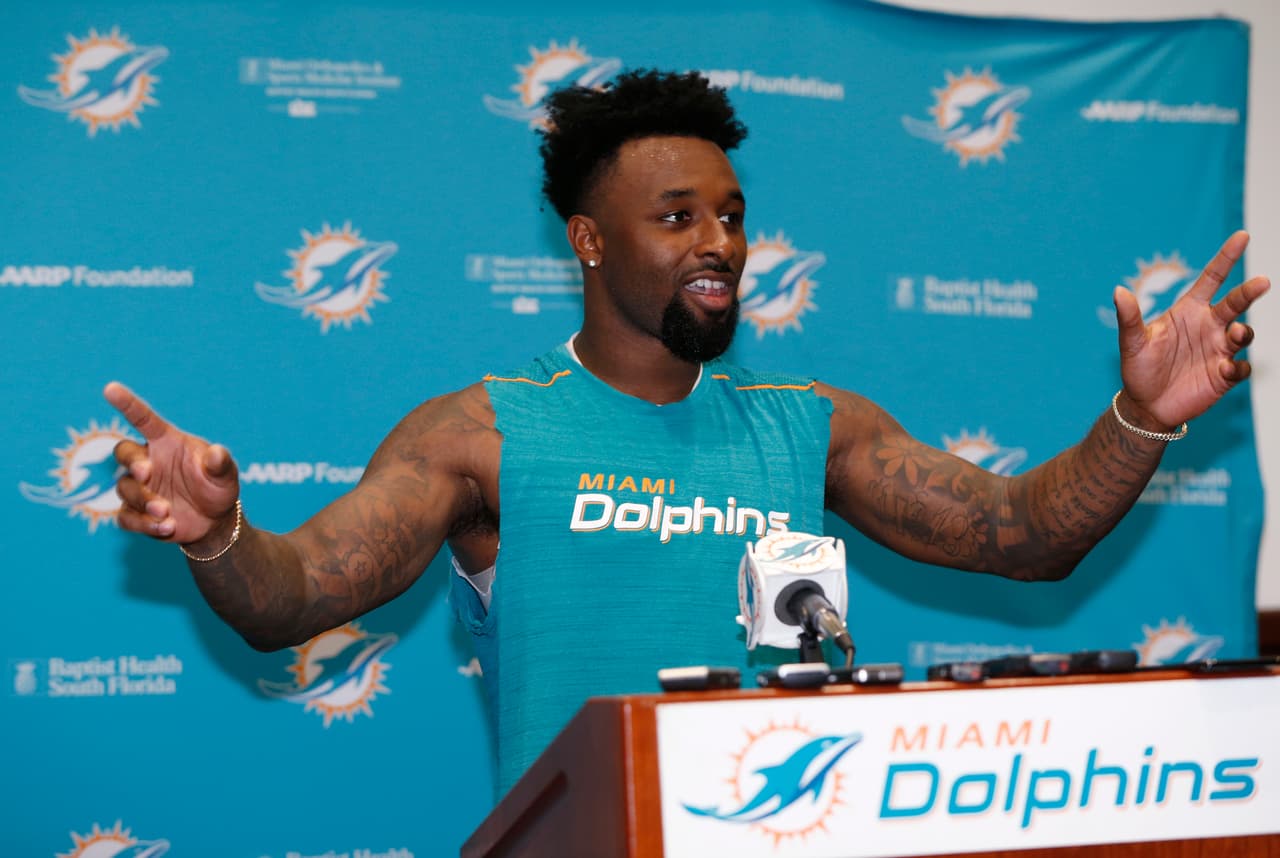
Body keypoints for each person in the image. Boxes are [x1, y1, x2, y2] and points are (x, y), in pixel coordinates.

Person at [106, 70, 1268, 795]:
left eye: (730, 215)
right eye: (676, 216)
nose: (718, 241)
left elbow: (1024, 534)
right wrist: (218, 534)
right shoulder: (481, 436)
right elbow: (295, 592)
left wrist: (1135, 418)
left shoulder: (812, 429)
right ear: (588, 242)